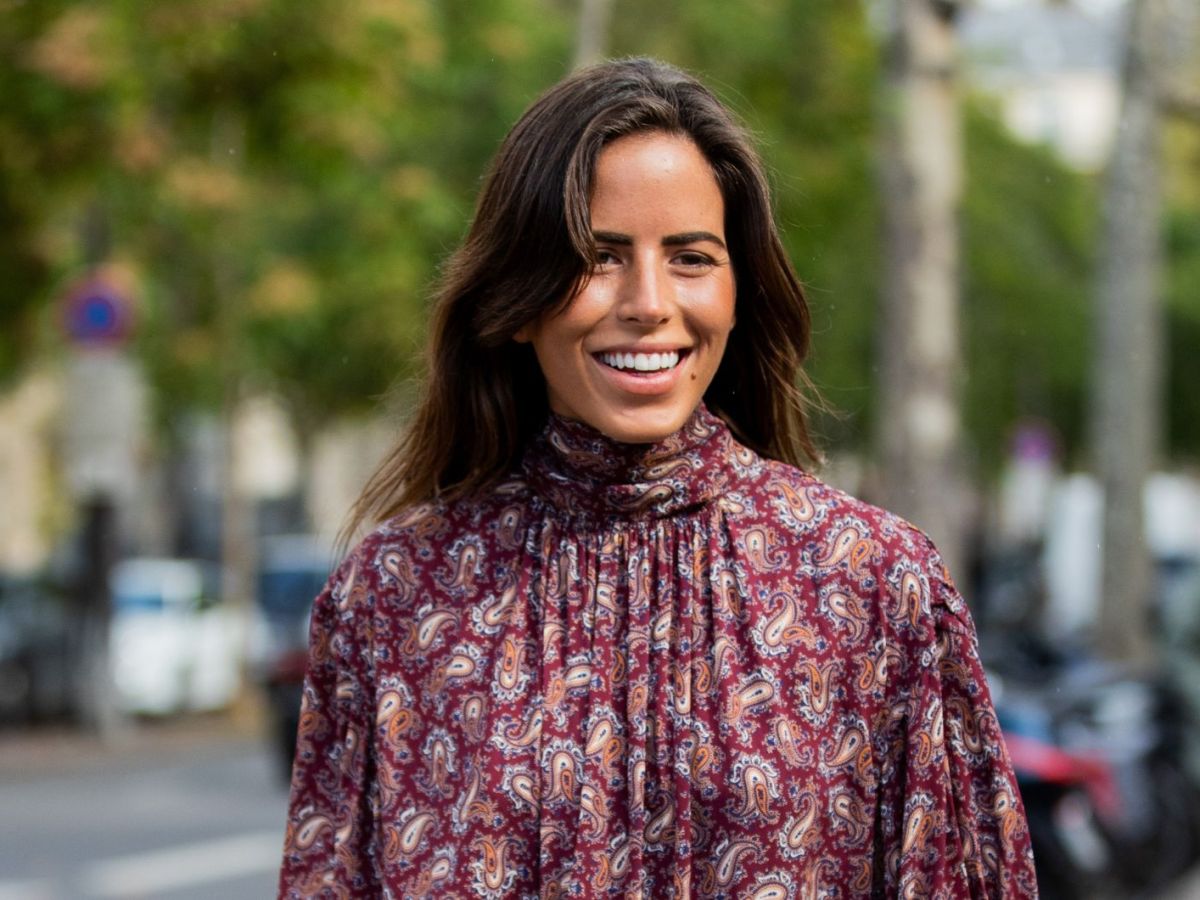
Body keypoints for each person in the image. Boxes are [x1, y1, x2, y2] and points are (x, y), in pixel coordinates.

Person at [278, 57, 1037, 898]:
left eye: (691, 258)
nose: (648, 301)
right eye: (599, 256)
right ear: (520, 299)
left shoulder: (873, 589)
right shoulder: (392, 602)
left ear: (739, 289)